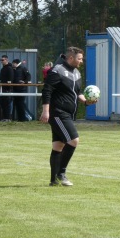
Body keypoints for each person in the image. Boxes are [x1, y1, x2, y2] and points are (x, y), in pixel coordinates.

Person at [41, 47, 93, 186]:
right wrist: (46, 111)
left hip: (68, 114)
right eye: (80, 59)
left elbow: (78, 92)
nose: (81, 61)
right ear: (71, 58)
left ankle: (53, 181)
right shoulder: (57, 70)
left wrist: (87, 101)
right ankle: (61, 173)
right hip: (58, 113)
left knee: (58, 146)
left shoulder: (76, 73)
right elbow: (47, 91)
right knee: (74, 140)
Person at [0, 55, 14, 121]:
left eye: (3, 60)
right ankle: (4, 117)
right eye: (1, 60)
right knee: (3, 103)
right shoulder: (3, 69)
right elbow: (1, 79)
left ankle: (8, 118)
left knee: (7, 103)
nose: (1, 61)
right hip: (2, 88)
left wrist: (9, 87)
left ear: (7, 60)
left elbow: (10, 79)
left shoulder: (9, 68)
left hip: (7, 89)